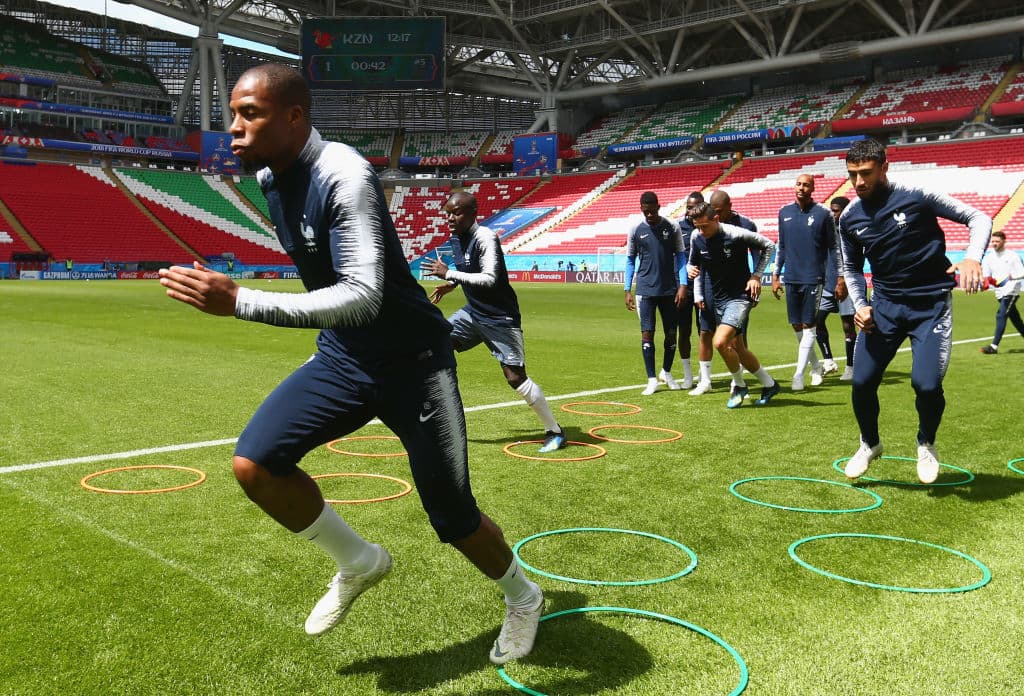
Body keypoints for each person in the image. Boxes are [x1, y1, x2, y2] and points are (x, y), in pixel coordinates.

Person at [157, 64, 543, 665]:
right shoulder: (269, 177)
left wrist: (242, 302)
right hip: (344, 357)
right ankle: (359, 561)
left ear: (294, 117)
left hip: (416, 364)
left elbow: (363, 295)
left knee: (452, 515)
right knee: (255, 464)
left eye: (248, 113)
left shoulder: (344, 173)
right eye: (232, 113)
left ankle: (523, 598)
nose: (232, 128)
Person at [837, 137, 991, 484]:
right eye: (852, 175)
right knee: (861, 381)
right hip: (885, 308)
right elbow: (850, 269)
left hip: (931, 306)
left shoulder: (917, 195)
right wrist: (861, 306)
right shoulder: (849, 218)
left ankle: (926, 442)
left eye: (866, 173)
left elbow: (977, 217)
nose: (859, 182)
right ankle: (869, 443)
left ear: (884, 167)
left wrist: (971, 258)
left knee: (926, 384)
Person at [422, 191, 566, 452]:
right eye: (447, 214)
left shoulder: (485, 237)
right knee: (436, 341)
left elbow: (489, 278)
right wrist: (451, 284)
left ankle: (554, 431)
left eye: (456, 213)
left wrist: (450, 273)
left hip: (500, 317)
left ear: (473, 213)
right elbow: (468, 270)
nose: (450, 219)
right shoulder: (457, 238)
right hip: (473, 313)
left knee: (515, 378)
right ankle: (436, 411)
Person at [687, 201, 781, 408]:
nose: (701, 231)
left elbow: (769, 246)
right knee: (739, 348)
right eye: (697, 227)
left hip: (740, 297)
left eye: (705, 226)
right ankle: (770, 384)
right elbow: (692, 262)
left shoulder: (736, 234)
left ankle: (739, 385)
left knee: (720, 342)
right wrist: (690, 269)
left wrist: (756, 276)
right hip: (717, 298)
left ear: (716, 219)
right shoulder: (696, 237)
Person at [624, 191, 688, 395]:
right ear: (641, 209)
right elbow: (630, 259)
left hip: (669, 289)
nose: (649, 215)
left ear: (659, 207)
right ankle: (651, 379)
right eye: (646, 211)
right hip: (645, 290)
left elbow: (680, 257)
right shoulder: (635, 229)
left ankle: (667, 372)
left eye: (652, 211)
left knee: (671, 334)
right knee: (647, 333)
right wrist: (627, 289)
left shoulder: (672, 226)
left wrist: (683, 285)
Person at [772, 173, 832, 391]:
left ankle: (799, 375)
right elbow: (782, 247)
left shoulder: (823, 214)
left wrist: (840, 277)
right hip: (791, 277)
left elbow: (833, 248)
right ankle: (816, 366)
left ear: (813, 188)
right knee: (797, 325)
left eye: (806, 185)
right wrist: (776, 274)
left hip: (813, 277)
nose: (802, 188)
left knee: (809, 325)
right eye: (798, 184)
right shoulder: (784, 212)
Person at [816, 196, 857, 380]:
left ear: (845, 210)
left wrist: (848, 282)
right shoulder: (827, 231)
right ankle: (828, 361)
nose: (833, 214)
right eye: (831, 210)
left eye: (836, 210)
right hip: (827, 282)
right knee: (817, 321)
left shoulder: (852, 231)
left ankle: (851, 366)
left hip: (847, 285)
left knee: (848, 326)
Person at [677, 191, 705, 392]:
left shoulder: (708, 227)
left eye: (694, 207)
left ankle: (705, 375)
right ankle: (687, 375)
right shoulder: (678, 228)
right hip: (684, 289)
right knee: (684, 331)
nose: (690, 211)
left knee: (704, 331)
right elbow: (675, 257)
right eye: (688, 207)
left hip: (704, 288)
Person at [979, 230, 1024, 354]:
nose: (994, 244)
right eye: (992, 241)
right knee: (1016, 319)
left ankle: (993, 347)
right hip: (999, 292)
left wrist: (1013, 277)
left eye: (997, 241)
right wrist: (985, 283)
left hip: (1011, 291)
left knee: (1001, 315)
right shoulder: (989, 258)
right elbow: (987, 275)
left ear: (1004, 241)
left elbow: (1022, 272)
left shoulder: (1013, 256)